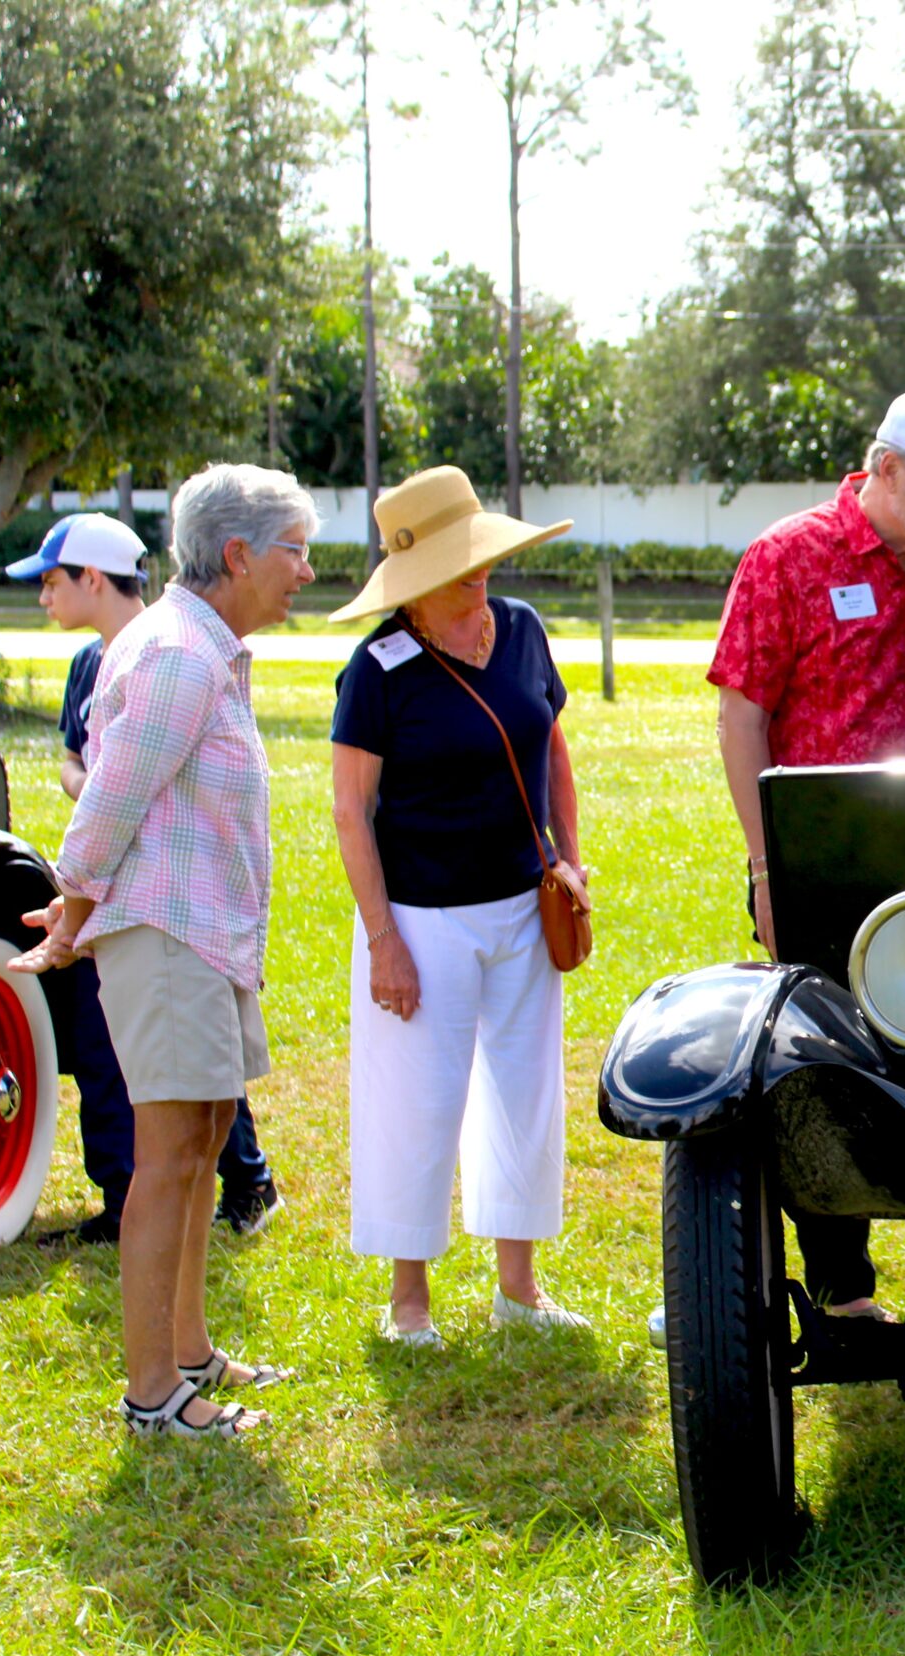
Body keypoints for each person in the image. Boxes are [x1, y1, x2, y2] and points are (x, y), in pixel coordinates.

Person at [648, 389, 905, 1349]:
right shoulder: (787, 556)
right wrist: (767, 863)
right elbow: (742, 714)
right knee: (822, 1061)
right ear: (888, 468)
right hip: (823, 854)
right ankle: (843, 1290)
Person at [10, 463, 318, 1439]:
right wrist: (72, 911)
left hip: (205, 936)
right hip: (169, 934)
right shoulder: (181, 654)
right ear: (239, 554)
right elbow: (108, 799)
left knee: (202, 1141)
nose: (307, 571)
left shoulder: (202, 647)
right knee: (169, 1152)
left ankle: (190, 1355)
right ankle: (154, 1396)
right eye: (296, 550)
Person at [328, 466, 592, 1347]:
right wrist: (384, 941)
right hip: (421, 917)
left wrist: (569, 859)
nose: (478, 579)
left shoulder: (521, 629)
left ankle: (519, 1286)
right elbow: (351, 810)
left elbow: (553, 750)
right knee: (418, 1102)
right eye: (456, 569)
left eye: (479, 560)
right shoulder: (376, 670)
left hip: (524, 905)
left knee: (526, 1092)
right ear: (411, 586)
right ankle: (408, 1300)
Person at [6, 512, 281, 1247]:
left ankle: (241, 1180)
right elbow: (92, 772)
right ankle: (127, 1197)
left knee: (194, 1092)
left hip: (170, 911)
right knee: (148, 1074)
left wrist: (73, 903)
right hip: (130, 899)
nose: (43, 596)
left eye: (51, 581)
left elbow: (118, 792)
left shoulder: (169, 651)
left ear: (93, 578)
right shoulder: (119, 657)